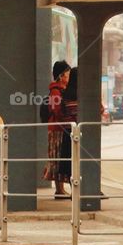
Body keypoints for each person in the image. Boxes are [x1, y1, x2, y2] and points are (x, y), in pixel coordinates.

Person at [43, 60, 71, 198]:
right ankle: (59, 189)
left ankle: (60, 189)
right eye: (67, 74)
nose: (69, 76)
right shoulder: (56, 91)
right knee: (57, 157)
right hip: (57, 129)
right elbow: (56, 110)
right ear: (61, 76)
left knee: (59, 158)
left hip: (58, 128)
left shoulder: (60, 90)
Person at [58, 67, 80, 183]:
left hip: (67, 133)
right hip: (79, 133)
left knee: (70, 165)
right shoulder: (82, 96)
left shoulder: (64, 94)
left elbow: (62, 113)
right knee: (80, 162)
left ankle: (73, 192)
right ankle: (80, 193)